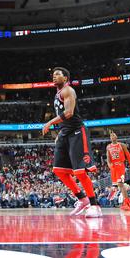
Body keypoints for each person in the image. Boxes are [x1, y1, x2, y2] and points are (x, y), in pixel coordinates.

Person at [42, 67, 101, 218]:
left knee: (80, 172)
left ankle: (95, 205)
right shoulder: (57, 94)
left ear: (66, 78)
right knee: (59, 170)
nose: (54, 77)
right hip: (65, 132)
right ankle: (83, 199)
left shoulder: (68, 91)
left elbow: (68, 113)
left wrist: (49, 123)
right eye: (53, 75)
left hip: (76, 131)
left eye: (58, 75)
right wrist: (60, 132)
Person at [106, 131, 130, 211]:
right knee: (119, 186)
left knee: (120, 184)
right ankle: (126, 202)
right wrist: (110, 166)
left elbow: (128, 156)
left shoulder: (122, 145)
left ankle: (127, 203)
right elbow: (108, 160)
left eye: (114, 135)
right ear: (110, 138)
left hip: (120, 165)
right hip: (113, 168)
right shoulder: (108, 147)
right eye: (111, 135)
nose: (112, 136)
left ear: (116, 136)